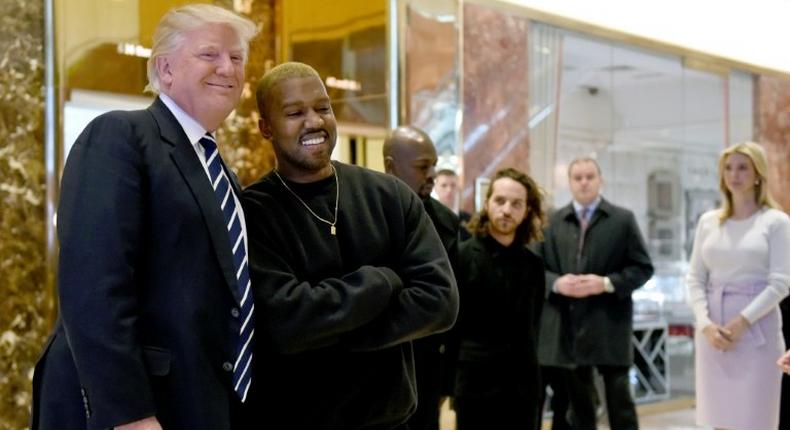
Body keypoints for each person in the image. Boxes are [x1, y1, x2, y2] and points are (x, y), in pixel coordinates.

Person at [30, 5, 258, 430]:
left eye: (237, 57)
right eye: (210, 54)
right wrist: (129, 414)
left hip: (197, 403)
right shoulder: (120, 135)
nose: (228, 68)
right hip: (133, 411)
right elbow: (93, 285)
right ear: (165, 68)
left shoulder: (220, 171)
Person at [242, 62, 459, 429]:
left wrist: (329, 334)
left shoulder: (390, 196)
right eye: (295, 113)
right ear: (266, 127)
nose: (313, 121)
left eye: (322, 108)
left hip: (390, 420)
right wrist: (381, 283)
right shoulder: (254, 212)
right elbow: (286, 322)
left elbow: (439, 300)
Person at [535, 157, 654, 430]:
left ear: (601, 180)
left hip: (610, 324)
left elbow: (643, 267)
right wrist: (556, 283)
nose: (584, 182)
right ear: (570, 182)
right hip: (566, 328)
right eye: (578, 177)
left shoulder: (622, 220)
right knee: (576, 408)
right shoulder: (552, 221)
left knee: (620, 403)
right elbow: (534, 270)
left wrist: (606, 283)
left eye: (590, 176)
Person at [687, 141, 790, 430]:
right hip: (712, 334)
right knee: (717, 419)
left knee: (754, 419)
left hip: (757, 331)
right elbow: (695, 277)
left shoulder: (775, 222)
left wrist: (743, 321)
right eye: (728, 168)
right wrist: (704, 323)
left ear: (758, 174)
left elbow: (782, 282)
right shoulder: (709, 222)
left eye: (743, 167)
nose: (735, 175)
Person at [453, 168, 546, 430]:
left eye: (516, 204)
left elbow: (533, 327)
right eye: (500, 201)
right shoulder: (461, 257)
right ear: (486, 203)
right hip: (475, 384)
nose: (507, 210)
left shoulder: (534, 265)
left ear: (527, 210)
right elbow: (453, 328)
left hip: (523, 387)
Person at [383, 125, 462, 430]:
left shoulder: (447, 223)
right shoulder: (361, 214)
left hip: (428, 363)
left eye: (434, 165)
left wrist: (448, 379)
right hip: (378, 361)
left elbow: (455, 302)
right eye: (422, 166)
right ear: (391, 166)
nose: (432, 174)